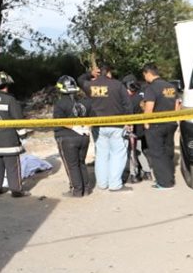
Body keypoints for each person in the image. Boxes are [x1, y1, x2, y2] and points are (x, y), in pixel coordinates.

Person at [84, 62, 133, 191]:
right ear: (109, 72)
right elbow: (127, 105)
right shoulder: (117, 85)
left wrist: (90, 74)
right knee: (118, 154)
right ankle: (115, 184)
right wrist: (129, 122)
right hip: (116, 125)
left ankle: (102, 183)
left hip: (98, 125)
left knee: (101, 155)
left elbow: (79, 80)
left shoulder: (90, 85)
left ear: (98, 71)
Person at [141, 63, 180, 189]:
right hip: (171, 123)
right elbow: (177, 105)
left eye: (144, 75)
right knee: (168, 151)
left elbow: (149, 107)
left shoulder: (151, 88)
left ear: (148, 73)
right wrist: (175, 120)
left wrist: (146, 123)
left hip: (156, 125)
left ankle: (164, 182)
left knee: (157, 154)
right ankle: (170, 177)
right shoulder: (170, 86)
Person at [52, 75, 91, 197]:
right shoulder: (86, 102)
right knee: (81, 163)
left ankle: (77, 190)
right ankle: (86, 188)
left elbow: (59, 121)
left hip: (67, 139)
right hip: (84, 137)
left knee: (72, 166)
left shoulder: (60, 104)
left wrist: (74, 127)